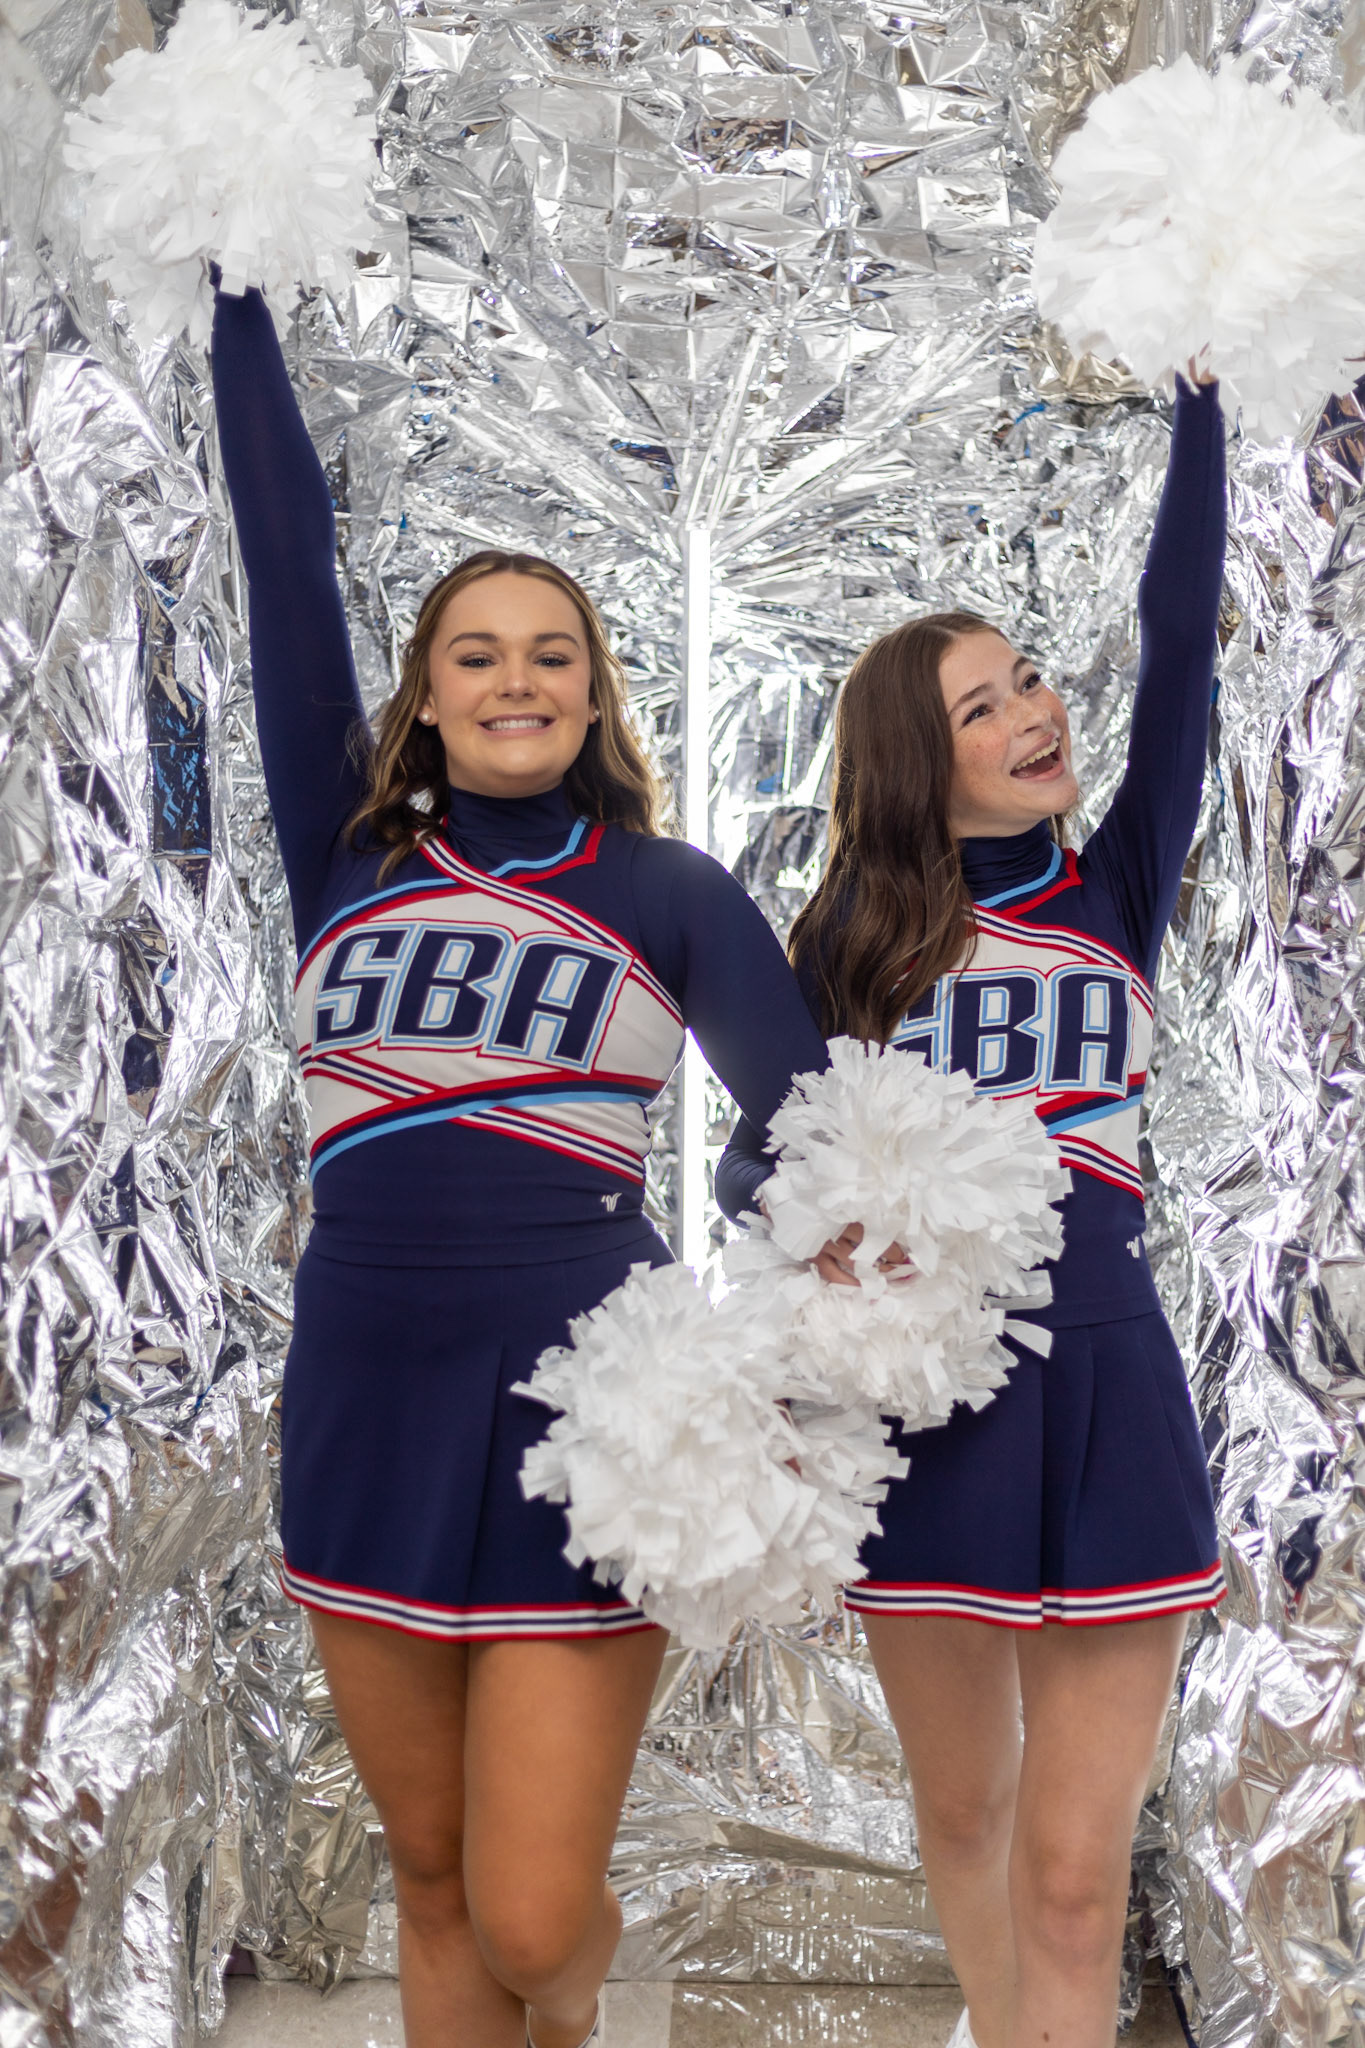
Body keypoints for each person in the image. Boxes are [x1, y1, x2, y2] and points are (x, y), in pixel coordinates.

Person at [209, 282, 831, 2048]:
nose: (513, 678)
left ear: (594, 692)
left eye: (550, 652)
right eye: (473, 652)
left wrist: (761, 1345)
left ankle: (564, 2016)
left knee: (532, 1912)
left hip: (589, 1423)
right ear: (419, 697)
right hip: (366, 1394)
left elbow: (795, 1149)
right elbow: (282, 565)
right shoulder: (345, 857)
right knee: (428, 1878)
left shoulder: (666, 891)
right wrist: (240, 294)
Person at [716, 372, 1227, 2048]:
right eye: (982, 708)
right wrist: (842, 1232)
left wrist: (1201, 414)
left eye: (1026, 680)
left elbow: (1179, 655)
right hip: (928, 1408)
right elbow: (756, 1159)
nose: (1031, 714)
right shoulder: (853, 942)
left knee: (1078, 1879)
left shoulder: (1116, 883)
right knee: (962, 1823)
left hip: (1107, 1383)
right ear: (912, 766)